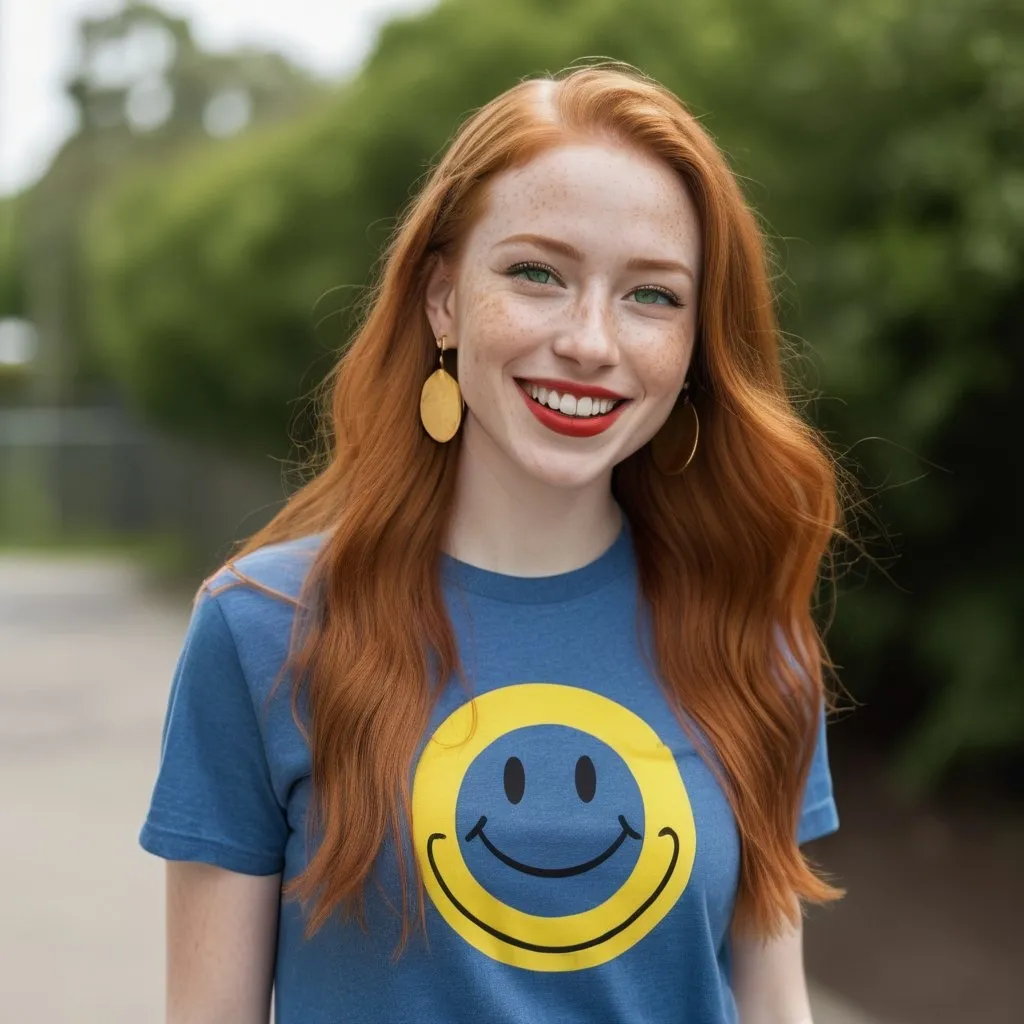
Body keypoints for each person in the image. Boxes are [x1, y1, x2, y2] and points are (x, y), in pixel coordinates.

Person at [140, 63, 845, 1024]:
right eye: (537, 274)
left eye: (652, 296)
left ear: (694, 348)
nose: (592, 341)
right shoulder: (262, 629)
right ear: (441, 300)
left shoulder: (752, 641)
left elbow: (773, 1002)